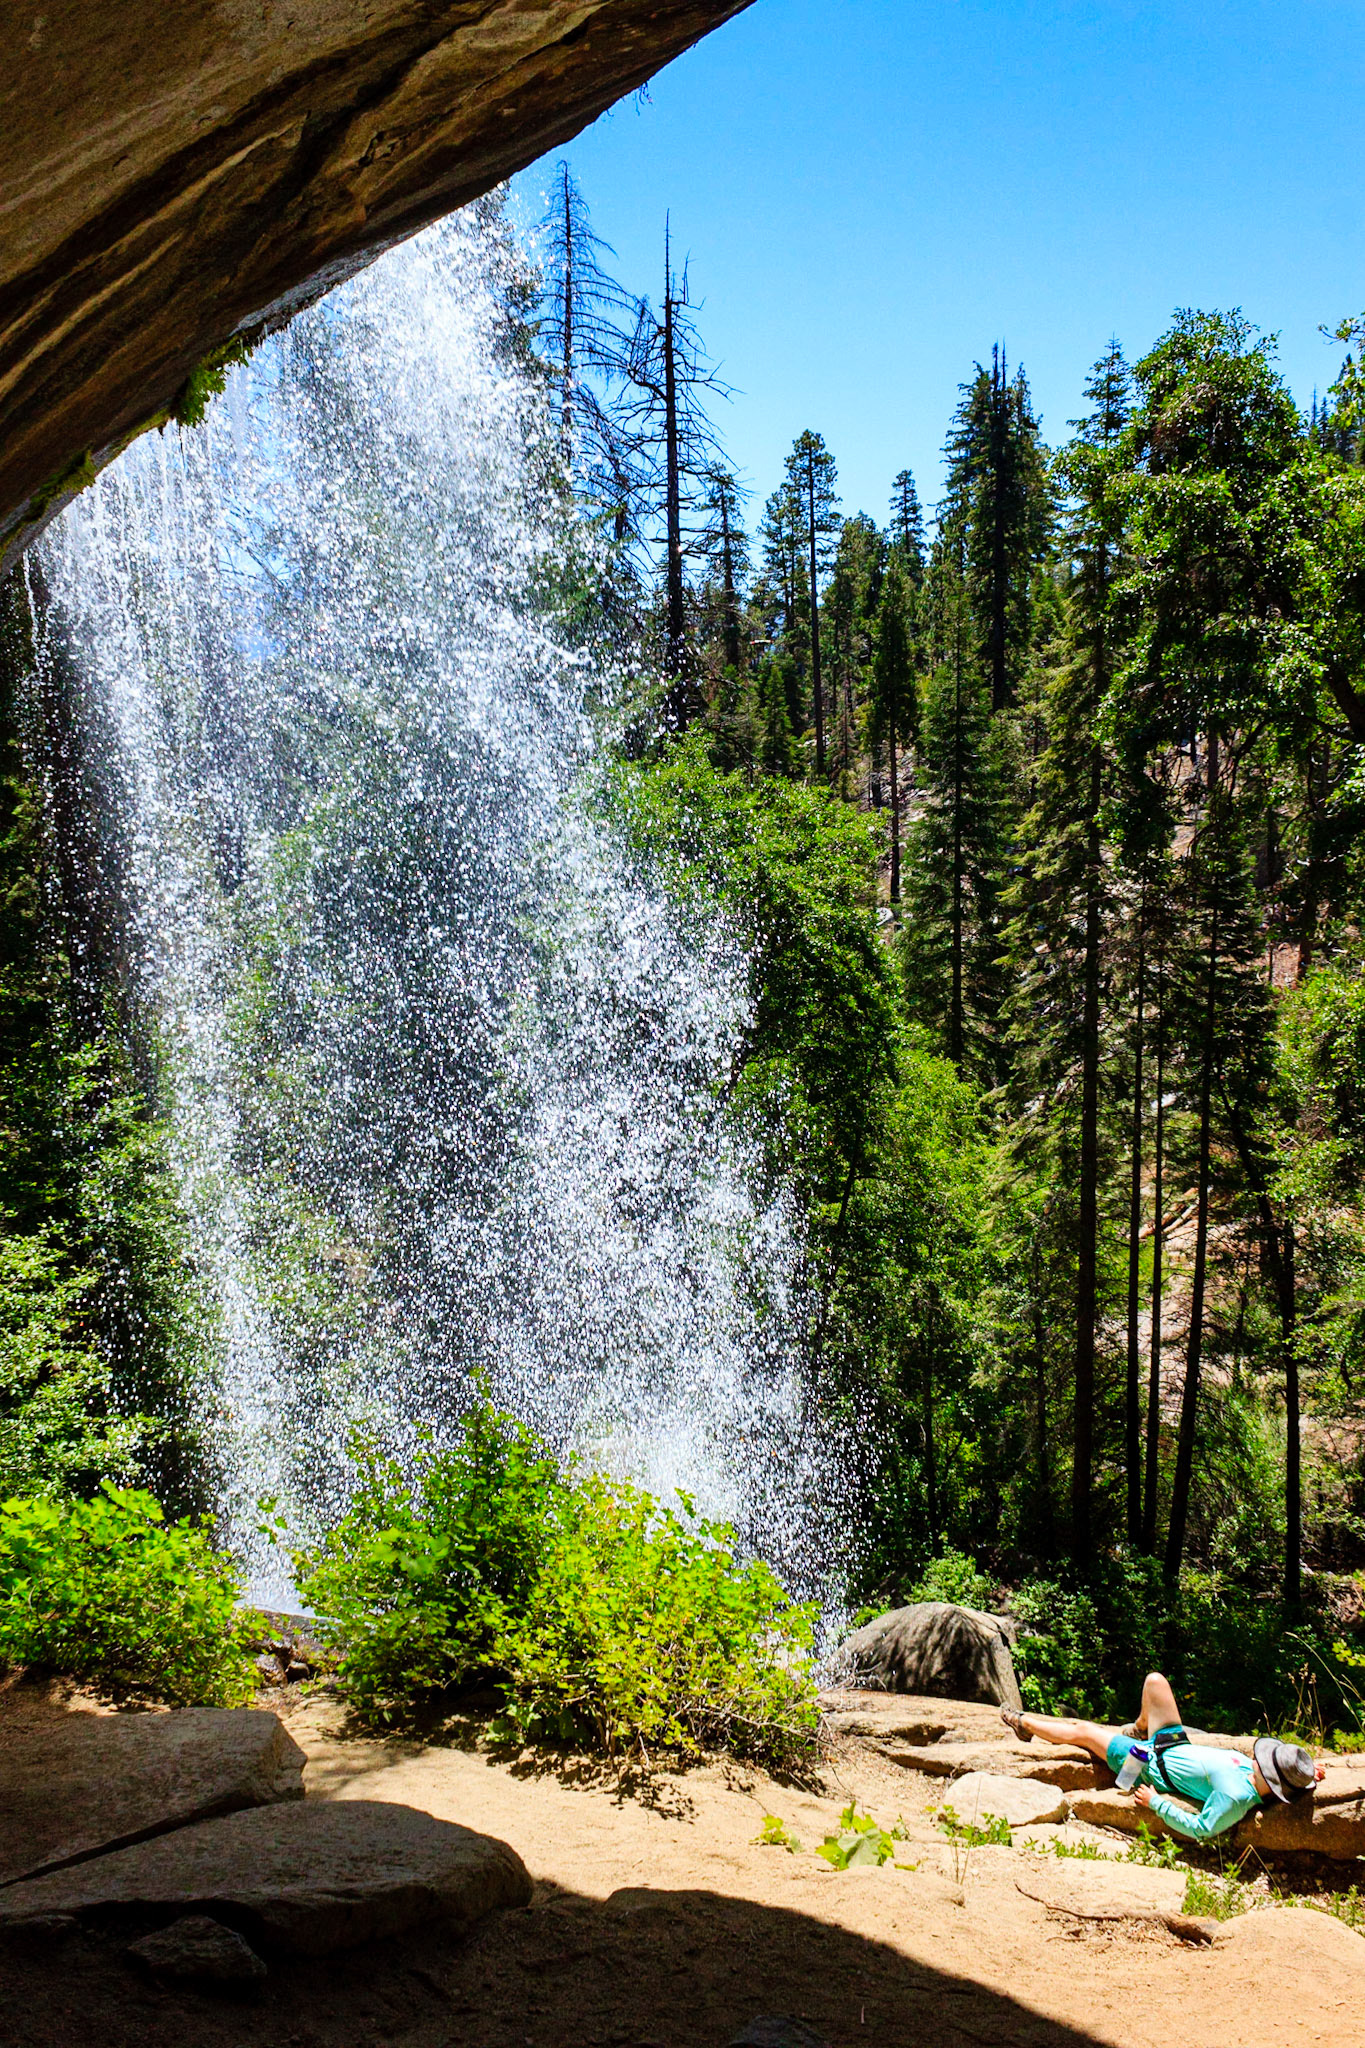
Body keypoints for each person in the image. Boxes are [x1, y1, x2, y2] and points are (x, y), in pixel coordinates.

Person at [1000, 1670, 1325, 1843]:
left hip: (1148, 1764)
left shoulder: (1235, 1797)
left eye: (1266, 1760)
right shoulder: (1255, 1779)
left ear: (1270, 1778)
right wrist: (1308, 1775)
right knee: (1155, 1681)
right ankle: (1141, 1725)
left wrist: (1157, 1803)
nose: (1259, 1757)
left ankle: (1025, 1724)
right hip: (1173, 1743)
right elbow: (1290, 1779)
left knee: (1083, 1731)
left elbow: (1202, 1828)